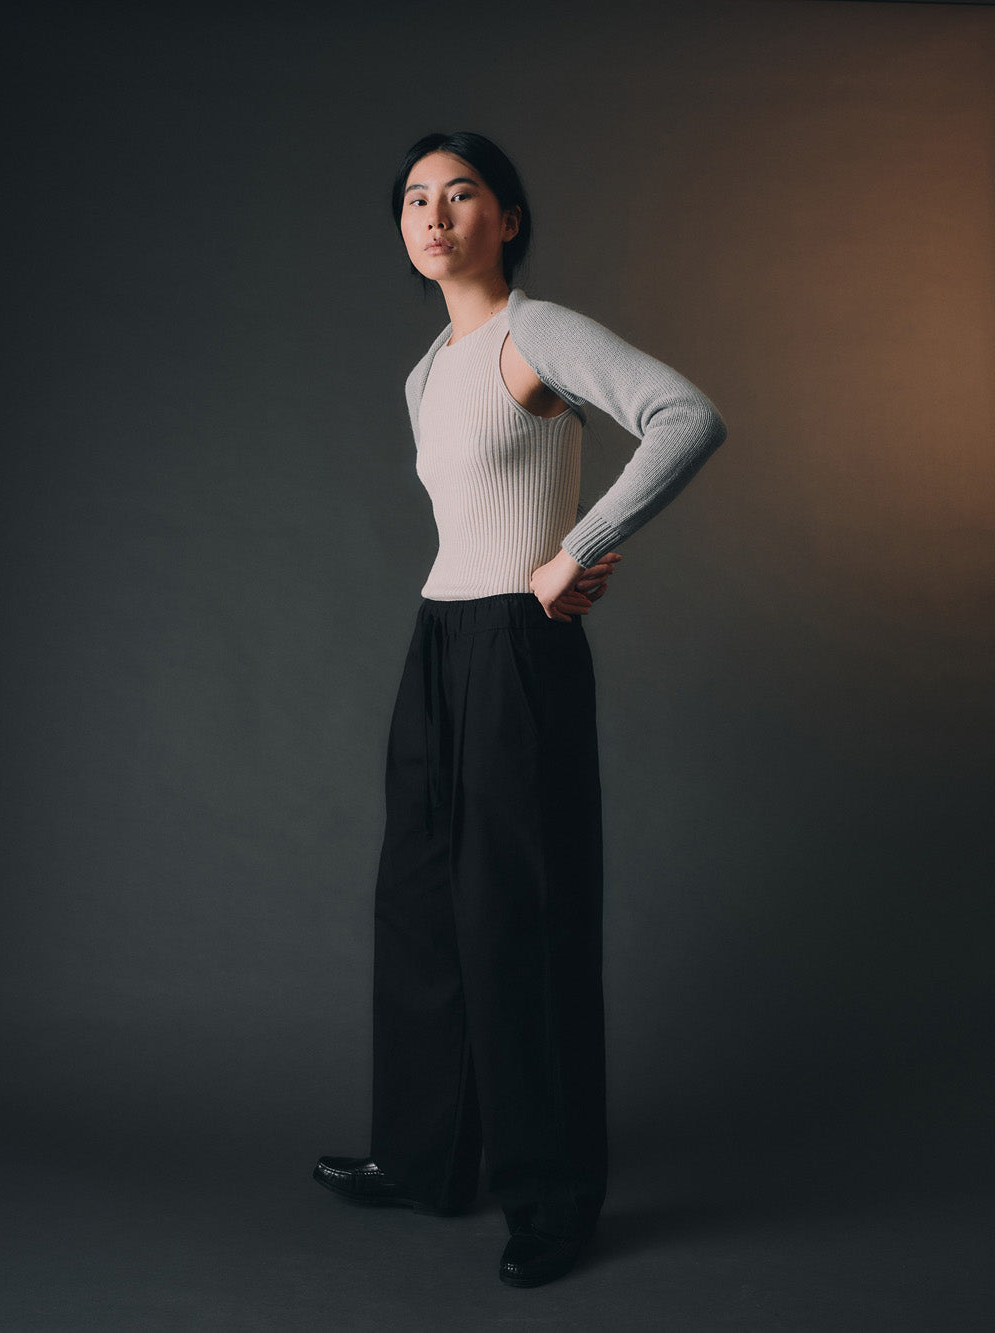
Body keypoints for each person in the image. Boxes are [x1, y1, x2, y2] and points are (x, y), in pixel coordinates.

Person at [313, 131, 727, 1288]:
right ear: (403, 231)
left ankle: (552, 1196)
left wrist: (578, 548)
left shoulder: (535, 332)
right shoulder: (425, 368)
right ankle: (424, 1157)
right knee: (421, 910)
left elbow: (686, 416)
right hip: (436, 640)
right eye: (413, 199)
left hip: (516, 647)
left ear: (507, 216)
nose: (433, 215)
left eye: (460, 195)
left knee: (519, 921)